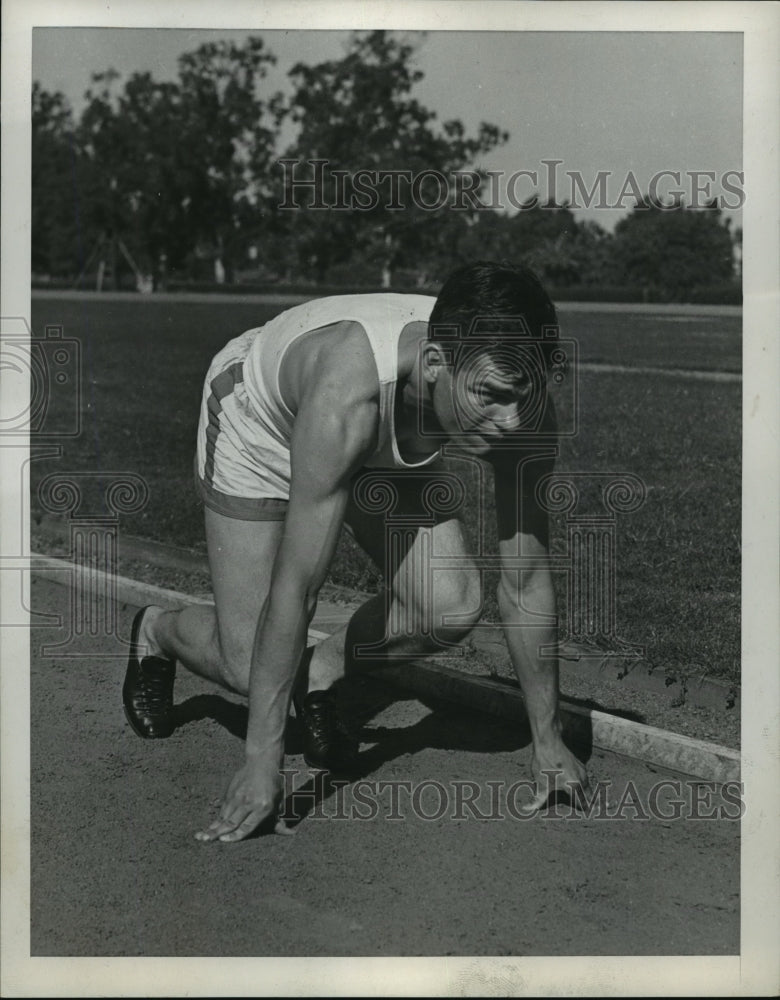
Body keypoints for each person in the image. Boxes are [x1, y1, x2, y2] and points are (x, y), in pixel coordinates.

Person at [122, 260, 588, 842]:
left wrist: (548, 742)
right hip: (259, 423)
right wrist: (264, 760)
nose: (512, 419)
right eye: (491, 396)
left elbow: (525, 579)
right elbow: (299, 586)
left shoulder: (518, 406)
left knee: (448, 605)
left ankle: (318, 676)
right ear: (437, 365)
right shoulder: (347, 395)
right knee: (249, 667)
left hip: (390, 437)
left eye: (522, 396)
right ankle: (157, 631)